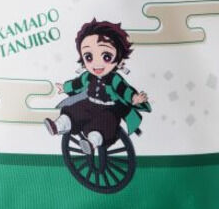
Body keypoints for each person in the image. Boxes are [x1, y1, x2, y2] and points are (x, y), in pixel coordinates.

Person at [44, 18, 151, 154]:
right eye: (89, 57)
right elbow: (77, 84)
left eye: (106, 57)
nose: (97, 63)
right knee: (74, 110)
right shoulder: (87, 76)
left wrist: (134, 98)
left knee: (105, 124)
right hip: (89, 104)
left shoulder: (114, 79)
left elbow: (124, 90)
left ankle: (92, 141)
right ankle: (60, 125)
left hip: (109, 109)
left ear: (119, 59)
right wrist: (65, 87)